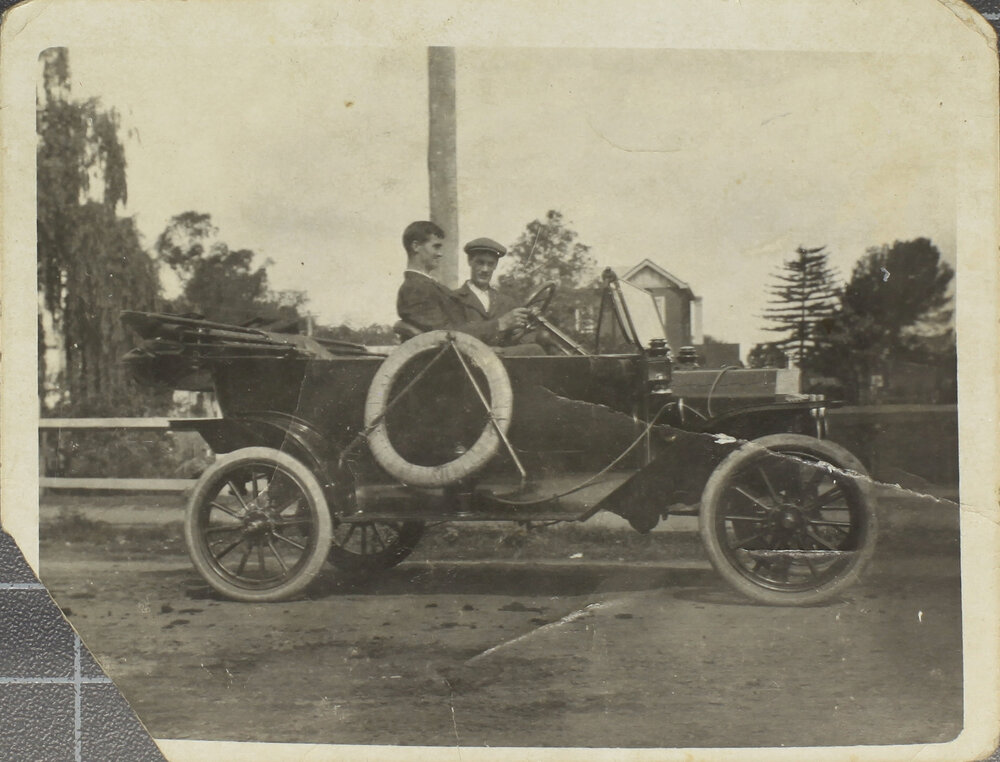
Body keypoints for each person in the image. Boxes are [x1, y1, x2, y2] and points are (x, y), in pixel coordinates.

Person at [396, 221, 529, 344]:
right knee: (536, 350)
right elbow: (446, 334)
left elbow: (459, 328)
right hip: (456, 360)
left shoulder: (425, 286)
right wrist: (500, 324)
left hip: (465, 354)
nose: (440, 253)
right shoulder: (416, 288)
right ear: (416, 246)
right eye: (436, 247)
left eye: (490, 264)